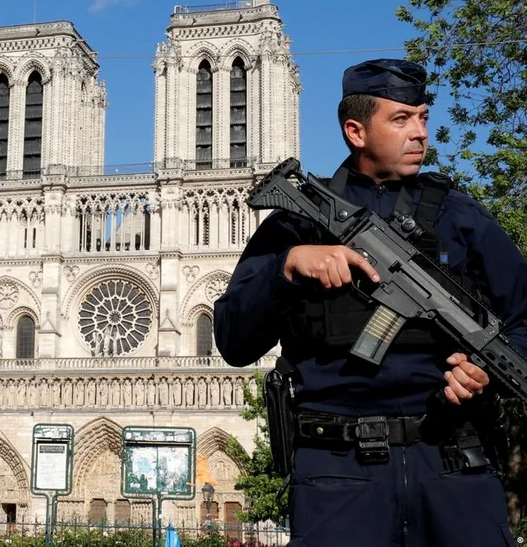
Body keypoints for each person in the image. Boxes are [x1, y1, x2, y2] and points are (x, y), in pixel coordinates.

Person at [214, 58, 527, 546]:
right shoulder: (296, 225)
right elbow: (233, 340)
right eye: (401, 119)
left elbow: (524, 319)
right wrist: (289, 267)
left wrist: (484, 373)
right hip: (339, 472)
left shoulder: (459, 216)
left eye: (423, 116)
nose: (420, 133)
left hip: (453, 463)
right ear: (355, 131)